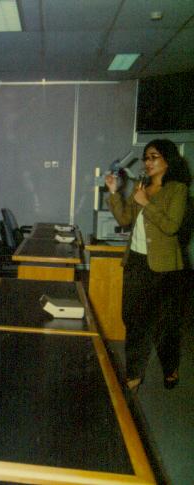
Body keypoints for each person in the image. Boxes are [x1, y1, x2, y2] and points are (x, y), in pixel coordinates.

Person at [106, 139, 191, 391]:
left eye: (154, 157)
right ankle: (134, 373)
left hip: (164, 267)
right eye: (146, 158)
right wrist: (114, 192)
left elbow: (171, 226)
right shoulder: (140, 186)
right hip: (136, 261)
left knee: (164, 324)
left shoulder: (177, 190)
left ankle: (170, 366)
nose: (147, 162)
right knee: (133, 318)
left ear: (168, 160)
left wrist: (146, 203)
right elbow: (125, 219)